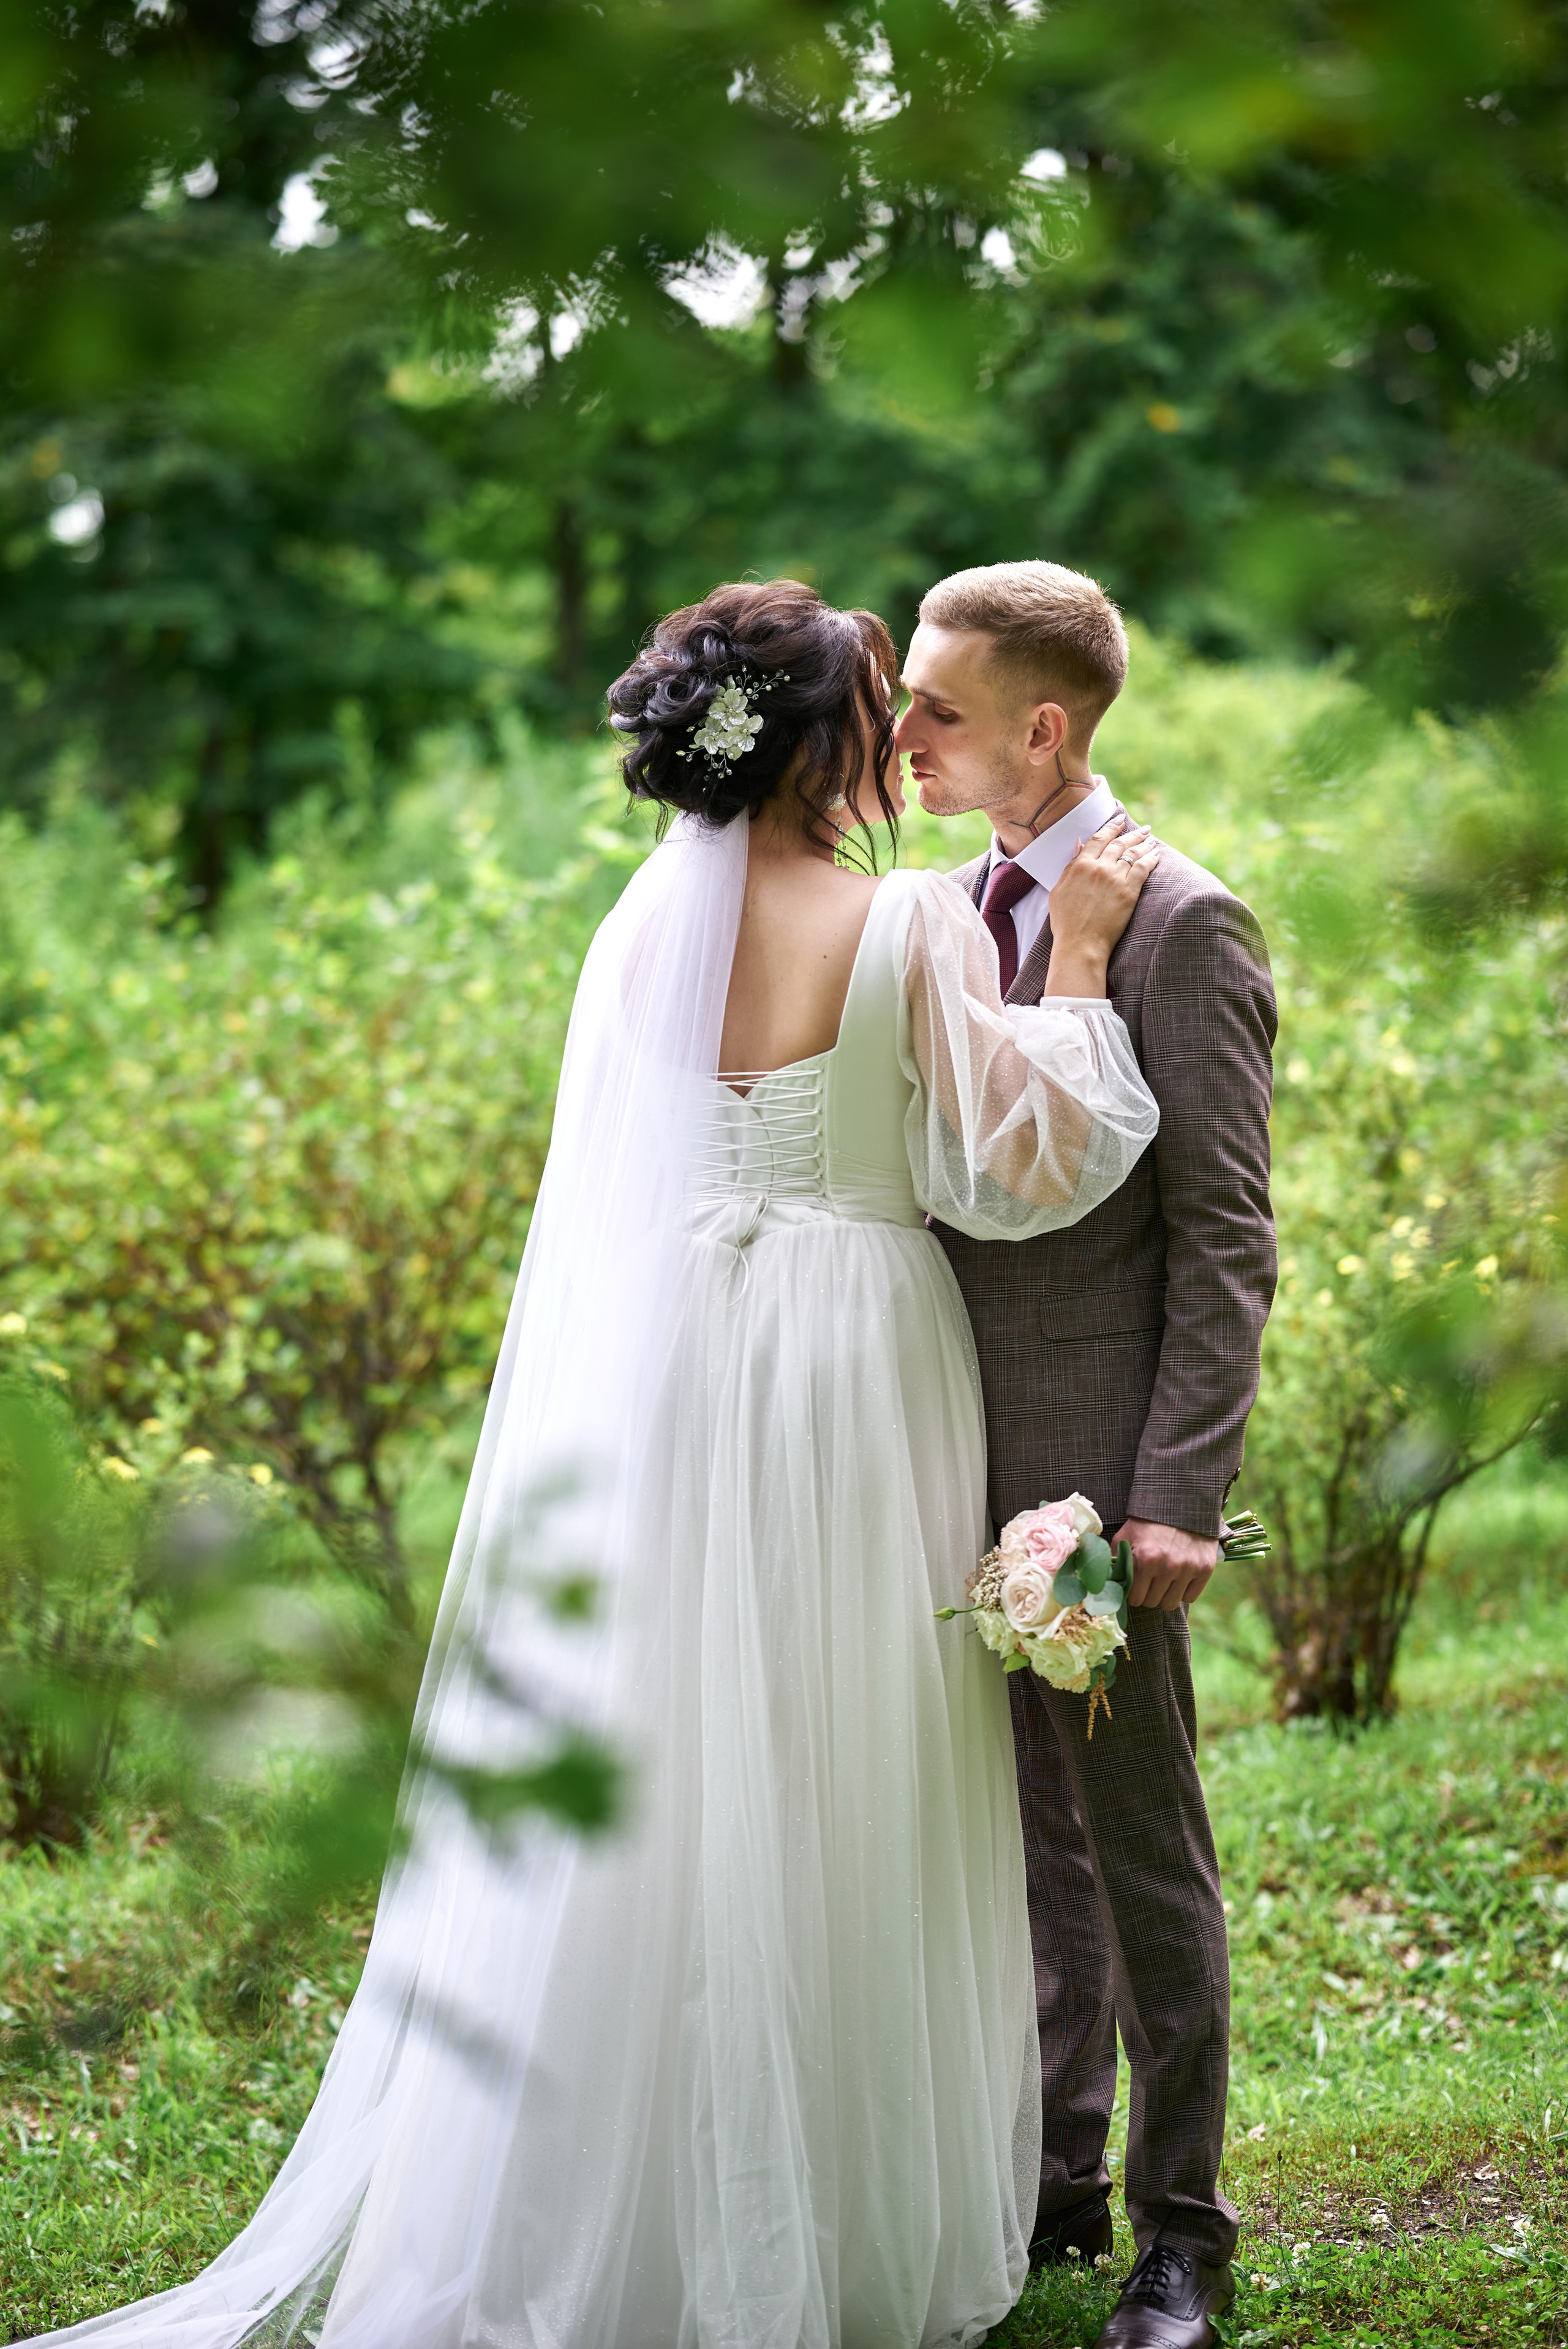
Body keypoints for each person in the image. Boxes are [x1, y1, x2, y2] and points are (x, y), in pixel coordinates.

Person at [29, 578, 1158, 2349]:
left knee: (664, 1754)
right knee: (846, 1761)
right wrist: (1080, 965)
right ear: (827, 740)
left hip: (666, 1379)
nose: (901, 734)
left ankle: (620, 2202)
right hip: (857, 1371)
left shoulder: (636, 932)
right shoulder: (911, 922)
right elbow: (1025, 1162)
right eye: (883, 704)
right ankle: (828, 2228)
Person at [896, 560, 1277, 2349]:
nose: (903, 735)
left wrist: (1176, 1494)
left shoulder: (1188, 924)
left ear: (1044, 731)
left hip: (1097, 1474)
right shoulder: (944, 906)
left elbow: (1225, 1234)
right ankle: (1054, 2172)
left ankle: (1180, 2233)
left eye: (939, 710)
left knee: (1139, 1849)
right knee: (1019, 1847)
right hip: (933, 1438)